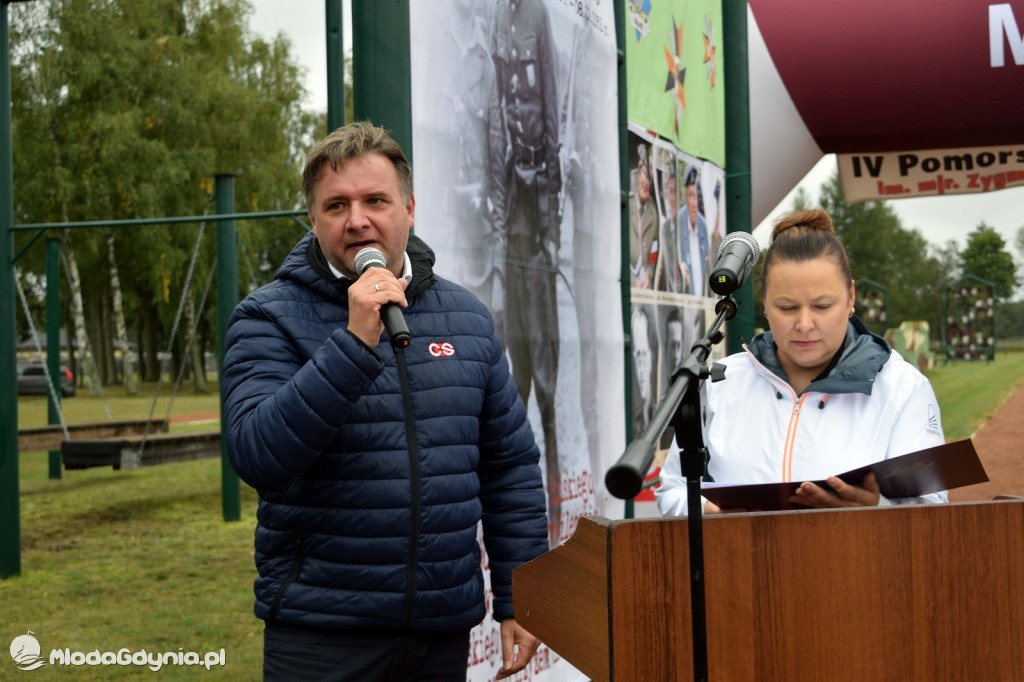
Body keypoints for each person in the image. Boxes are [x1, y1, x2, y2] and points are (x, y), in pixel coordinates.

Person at [222, 122, 549, 681]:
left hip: (440, 631)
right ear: (313, 220)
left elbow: (509, 468)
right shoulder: (266, 316)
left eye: (375, 199)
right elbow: (258, 455)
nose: (357, 220)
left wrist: (521, 596)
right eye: (336, 205)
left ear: (409, 207)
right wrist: (352, 342)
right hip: (321, 633)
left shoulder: (467, 319)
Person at [656, 209, 948, 516]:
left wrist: (877, 508)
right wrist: (710, 514)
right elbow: (673, 488)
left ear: (850, 297)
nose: (805, 323)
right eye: (786, 307)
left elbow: (933, 510)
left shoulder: (902, 387)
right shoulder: (720, 383)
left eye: (822, 305)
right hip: (737, 560)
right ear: (765, 302)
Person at [492, 0, 564, 545]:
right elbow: (501, 98)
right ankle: (517, 493)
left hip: (539, 196)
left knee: (545, 363)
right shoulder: (499, 14)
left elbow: (547, 100)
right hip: (515, 201)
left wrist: (553, 205)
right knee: (517, 365)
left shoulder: (535, 14)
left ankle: (556, 481)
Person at [629, 146, 659, 289]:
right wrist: (631, 279)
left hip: (644, 286)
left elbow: (653, 254)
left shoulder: (653, 213)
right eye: (644, 175)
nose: (647, 182)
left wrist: (648, 275)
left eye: (650, 178)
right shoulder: (626, 206)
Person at [677, 166, 709, 297]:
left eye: (696, 196)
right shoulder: (679, 220)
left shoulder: (703, 225)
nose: (694, 203)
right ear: (685, 198)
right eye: (690, 196)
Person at [630, 304, 658, 439]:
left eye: (644, 354)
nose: (640, 365)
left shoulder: (659, 411)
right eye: (637, 354)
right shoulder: (631, 416)